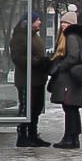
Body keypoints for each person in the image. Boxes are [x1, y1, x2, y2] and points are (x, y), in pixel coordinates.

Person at [48, 10, 82, 149]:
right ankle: (73, 138)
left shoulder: (71, 37)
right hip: (73, 79)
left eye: (66, 23)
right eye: (61, 23)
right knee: (71, 108)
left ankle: (69, 138)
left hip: (69, 79)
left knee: (69, 108)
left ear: (72, 24)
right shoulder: (76, 36)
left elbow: (73, 56)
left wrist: (60, 66)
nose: (62, 25)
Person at [9, 12, 52, 147]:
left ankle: (33, 135)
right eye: (37, 20)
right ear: (30, 22)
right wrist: (37, 61)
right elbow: (18, 58)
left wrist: (45, 62)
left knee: (36, 108)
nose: (40, 22)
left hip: (38, 79)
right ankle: (22, 135)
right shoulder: (20, 37)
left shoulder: (35, 37)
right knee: (26, 108)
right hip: (26, 80)